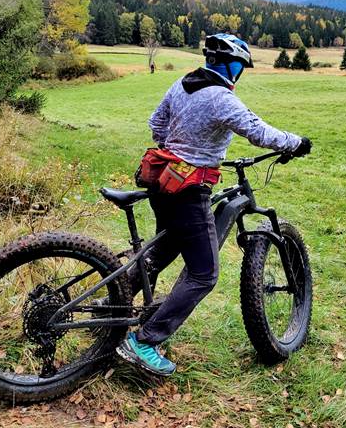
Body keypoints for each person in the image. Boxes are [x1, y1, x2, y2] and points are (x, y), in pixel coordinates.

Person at [117, 33, 311, 375]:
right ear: (233, 65)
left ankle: (112, 304)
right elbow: (257, 131)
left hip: (163, 180)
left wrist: (177, 147)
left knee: (162, 250)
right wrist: (295, 143)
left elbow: (156, 124)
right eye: (241, 67)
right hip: (189, 189)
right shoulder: (221, 98)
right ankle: (145, 340)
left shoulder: (182, 84)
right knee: (204, 273)